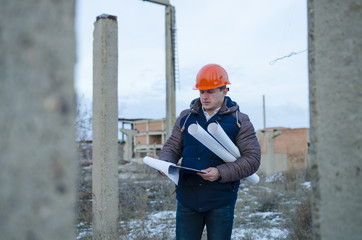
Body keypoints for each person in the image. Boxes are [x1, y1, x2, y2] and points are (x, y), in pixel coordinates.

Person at [159, 63, 261, 240]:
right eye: (201, 92)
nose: (204, 97)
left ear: (225, 91)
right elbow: (172, 146)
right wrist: (165, 163)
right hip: (187, 198)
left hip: (220, 200)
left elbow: (252, 159)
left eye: (211, 91)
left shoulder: (240, 121)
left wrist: (220, 172)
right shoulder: (186, 118)